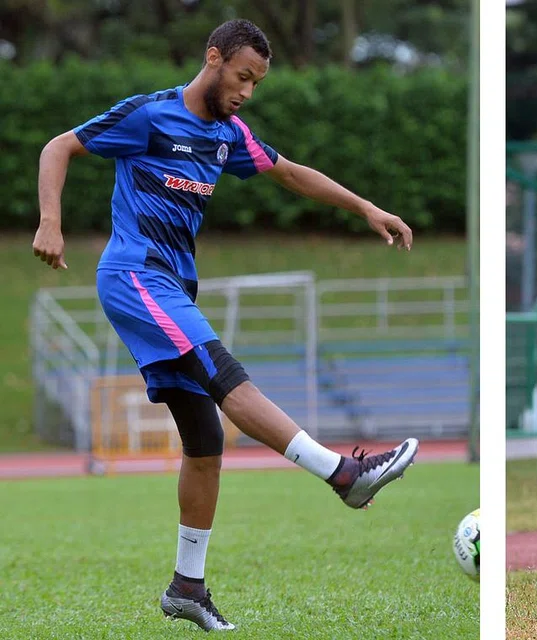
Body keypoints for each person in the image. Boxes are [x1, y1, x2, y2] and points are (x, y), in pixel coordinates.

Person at [32, 19, 419, 632]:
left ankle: (187, 586)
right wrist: (50, 221)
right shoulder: (149, 116)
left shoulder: (227, 134)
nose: (246, 91)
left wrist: (366, 208)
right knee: (222, 373)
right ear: (213, 58)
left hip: (174, 287)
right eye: (242, 77)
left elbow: (289, 172)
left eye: (256, 83)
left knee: (205, 443)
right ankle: (342, 473)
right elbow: (60, 146)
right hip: (136, 275)